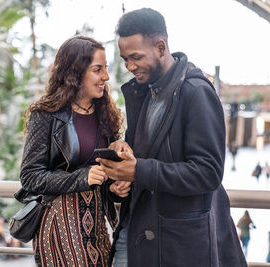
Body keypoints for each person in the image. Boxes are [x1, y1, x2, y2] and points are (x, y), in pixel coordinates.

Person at [96, 8, 247, 266]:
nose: (130, 67)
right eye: (124, 60)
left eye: (136, 57)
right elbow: (144, 160)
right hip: (138, 234)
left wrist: (138, 171)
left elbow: (208, 172)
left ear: (161, 47)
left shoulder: (196, 92)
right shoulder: (144, 92)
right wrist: (124, 176)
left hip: (176, 246)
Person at [19, 36, 126, 266]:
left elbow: (105, 172)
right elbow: (29, 176)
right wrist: (81, 178)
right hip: (59, 224)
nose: (105, 77)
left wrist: (117, 187)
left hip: (97, 223)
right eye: (98, 70)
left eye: (105, 69)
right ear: (75, 72)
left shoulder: (106, 113)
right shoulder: (46, 114)